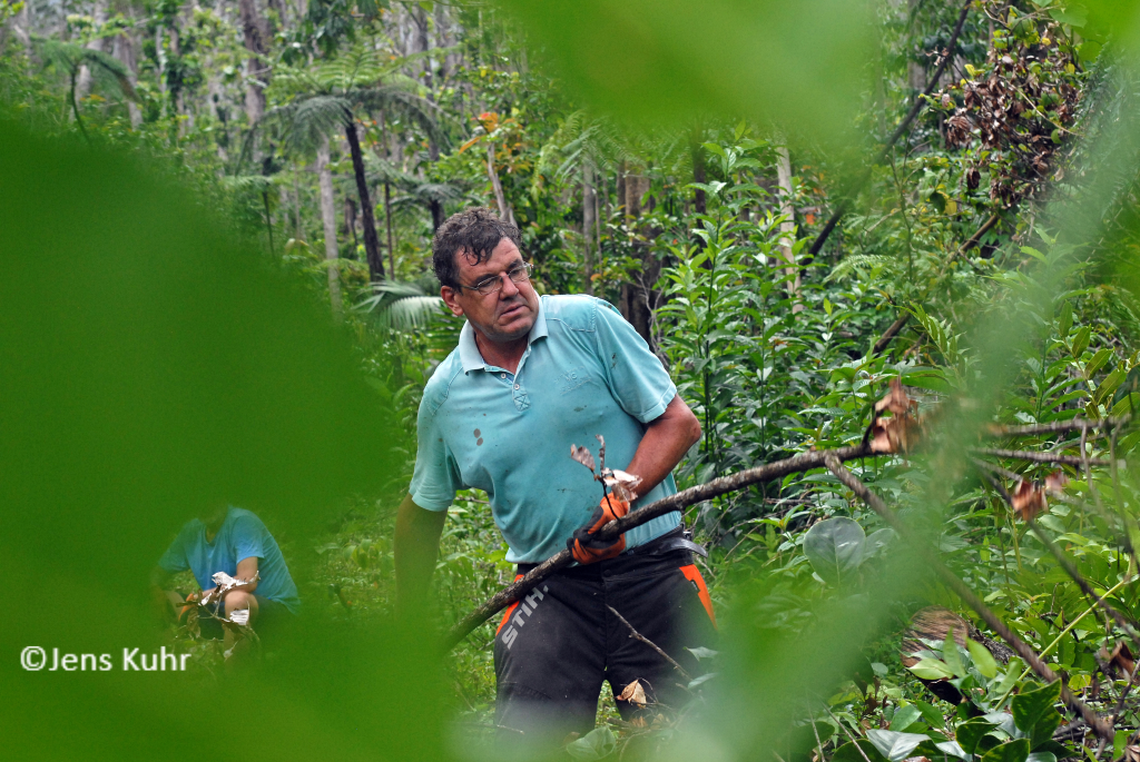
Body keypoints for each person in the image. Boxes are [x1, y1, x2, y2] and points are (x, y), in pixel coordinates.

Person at [394, 208, 717, 748]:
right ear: (453, 299)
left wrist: (620, 498)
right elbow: (423, 509)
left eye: (516, 270)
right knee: (528, 743)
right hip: (551, 585)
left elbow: (678, 423)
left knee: (691, 740)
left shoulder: (587, 323)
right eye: (486, 282)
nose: (511, 289)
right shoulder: (446, 396)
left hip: (653, 566)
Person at [152, 504, 300, 645]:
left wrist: (200, 597)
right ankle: (171, 657)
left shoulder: (242, 522)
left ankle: (237, 664)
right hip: (220, 612)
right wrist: (153, 588)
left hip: (274, 613)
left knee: (236, 600)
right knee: (151, 596)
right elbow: (156, 573)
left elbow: (247, 581)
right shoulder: (191, 531)